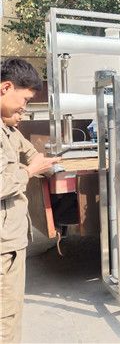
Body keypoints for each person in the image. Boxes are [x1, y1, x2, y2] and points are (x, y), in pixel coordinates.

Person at [1, 58, 60, 343]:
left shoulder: (8, 129)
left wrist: (46, 165)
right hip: (3, 246)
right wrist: (29, 171)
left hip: (9, 241)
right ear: (6, 87)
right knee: (5, 316)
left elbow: (31, 154)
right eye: (24, 99)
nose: (24, 108)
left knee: (11, 311)